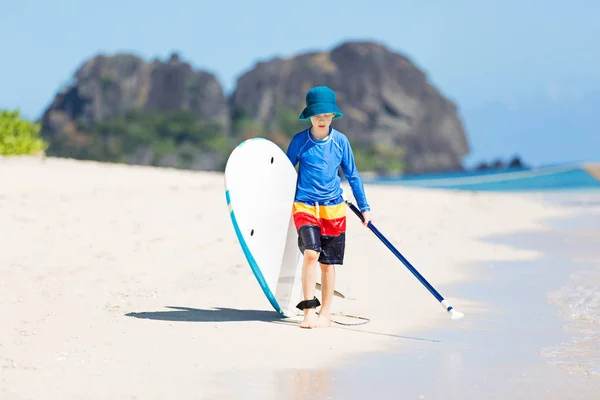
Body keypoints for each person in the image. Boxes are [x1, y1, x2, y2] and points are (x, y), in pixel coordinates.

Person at [285, 86, 372, 329]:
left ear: (333, 115)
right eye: (317, 115)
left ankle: (326, 312)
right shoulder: (299, 142)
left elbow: (353, 176)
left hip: (333, 209)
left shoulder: (341, 142)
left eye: (326, 115)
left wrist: (364, 208)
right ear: (309, 116)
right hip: (305, 206)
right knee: (311, 253)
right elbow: (283, 173)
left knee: (327, 263)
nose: (322, 119)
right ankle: (308, 312)